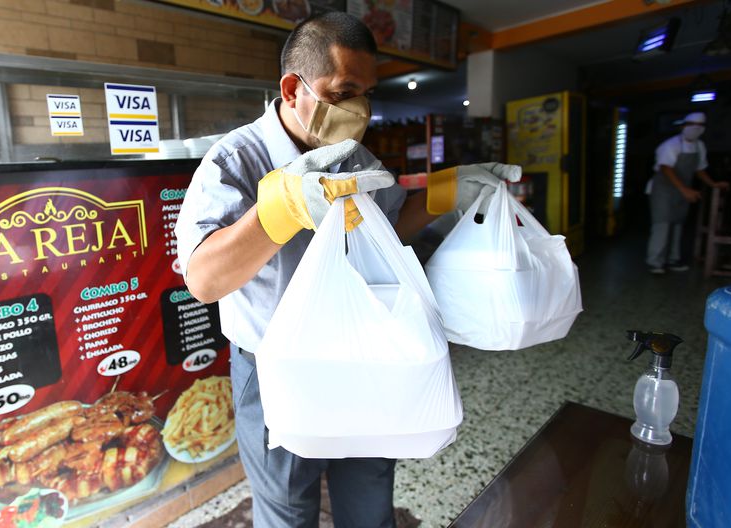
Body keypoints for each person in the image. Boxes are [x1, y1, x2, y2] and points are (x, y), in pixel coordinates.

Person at [175, 12, 519, 527]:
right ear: (293, 89)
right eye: (344, 92)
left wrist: (452, 188)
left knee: (370, 491)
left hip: (362, 353)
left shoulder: (352, 158)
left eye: (367, 93)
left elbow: (394, 220)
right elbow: (204, 280)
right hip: (276, 365)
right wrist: (280, 209)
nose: (360, 109)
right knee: (288, 507)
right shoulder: (235, 161)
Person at [647, 111, 730, 274]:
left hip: (683, 190)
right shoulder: (671, 145)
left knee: (677, 224)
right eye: (692, 125)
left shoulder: (699, 146)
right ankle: (655, 262)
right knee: (662, 224)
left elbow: (699, 168)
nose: (695, 129)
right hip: (663, 191)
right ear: (684, 126)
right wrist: (683, 189)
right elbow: (666, 168)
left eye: (699, 126)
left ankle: (672, 260)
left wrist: (712, 183)